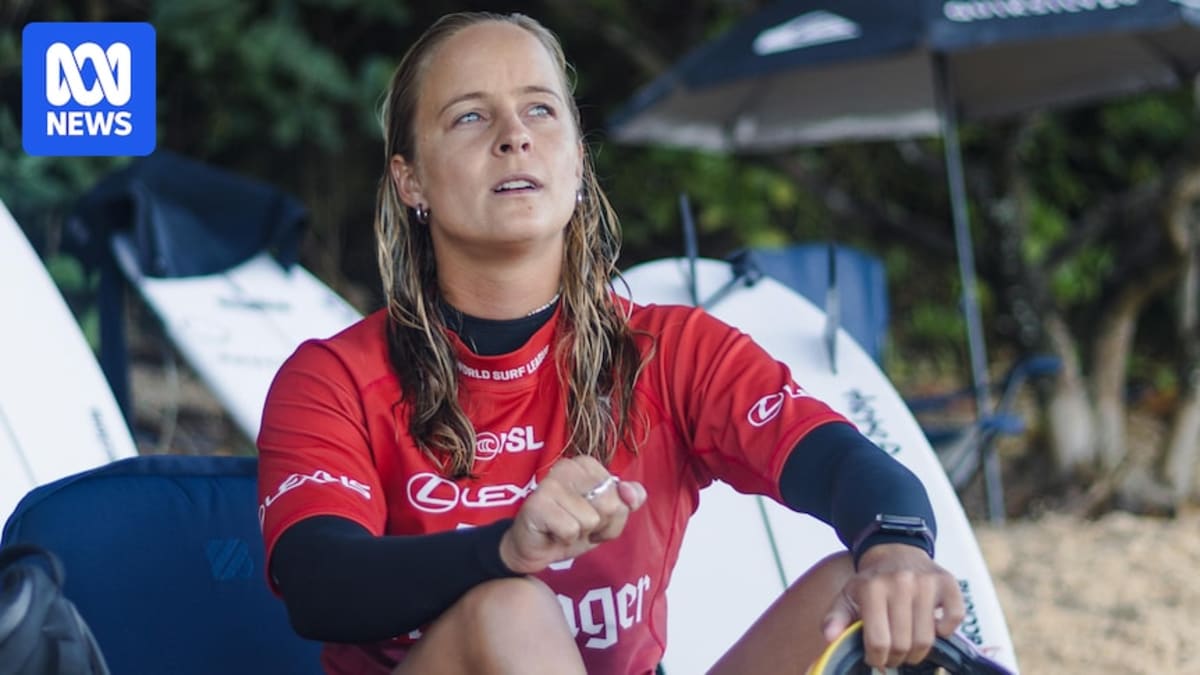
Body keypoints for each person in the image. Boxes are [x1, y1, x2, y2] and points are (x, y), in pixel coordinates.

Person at [256, 11, 965, 675]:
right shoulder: (335, 377)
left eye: (540, 108)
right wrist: (503, 549)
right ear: (410, 181)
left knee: (868, 582)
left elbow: (848, 465)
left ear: (575, 159)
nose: (514, 135)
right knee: (506, 606)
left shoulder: (670, 350)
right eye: (470, 116)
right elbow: (318, 581)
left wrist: (898, 546)